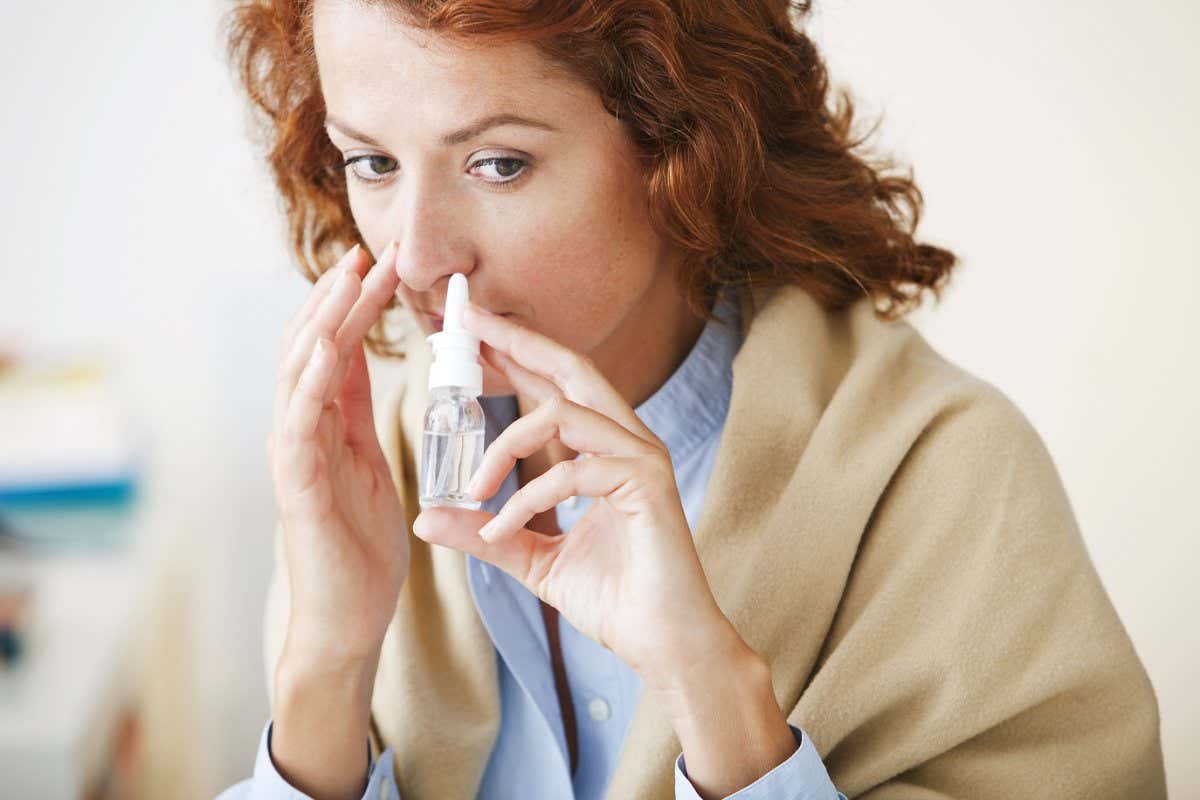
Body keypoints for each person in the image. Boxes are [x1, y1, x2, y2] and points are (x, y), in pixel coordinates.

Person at [215, 1, 1167, 798]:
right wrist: (328, 658)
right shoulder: (368, 457)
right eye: (372, 163)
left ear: (682, 147)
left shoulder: (942, 476)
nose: (417, 257)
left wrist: (713, 688)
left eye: (498, 163)